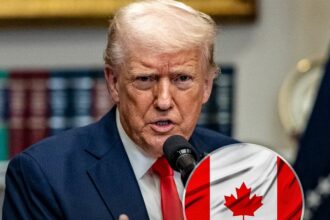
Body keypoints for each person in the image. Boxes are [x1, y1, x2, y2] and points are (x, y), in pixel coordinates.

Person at [3, 0, 237, 219]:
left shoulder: (239, 166)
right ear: (114, 83)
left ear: (206, 86)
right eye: (145, 79)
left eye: (182, 78)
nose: (164, 101)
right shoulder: (43, 175)